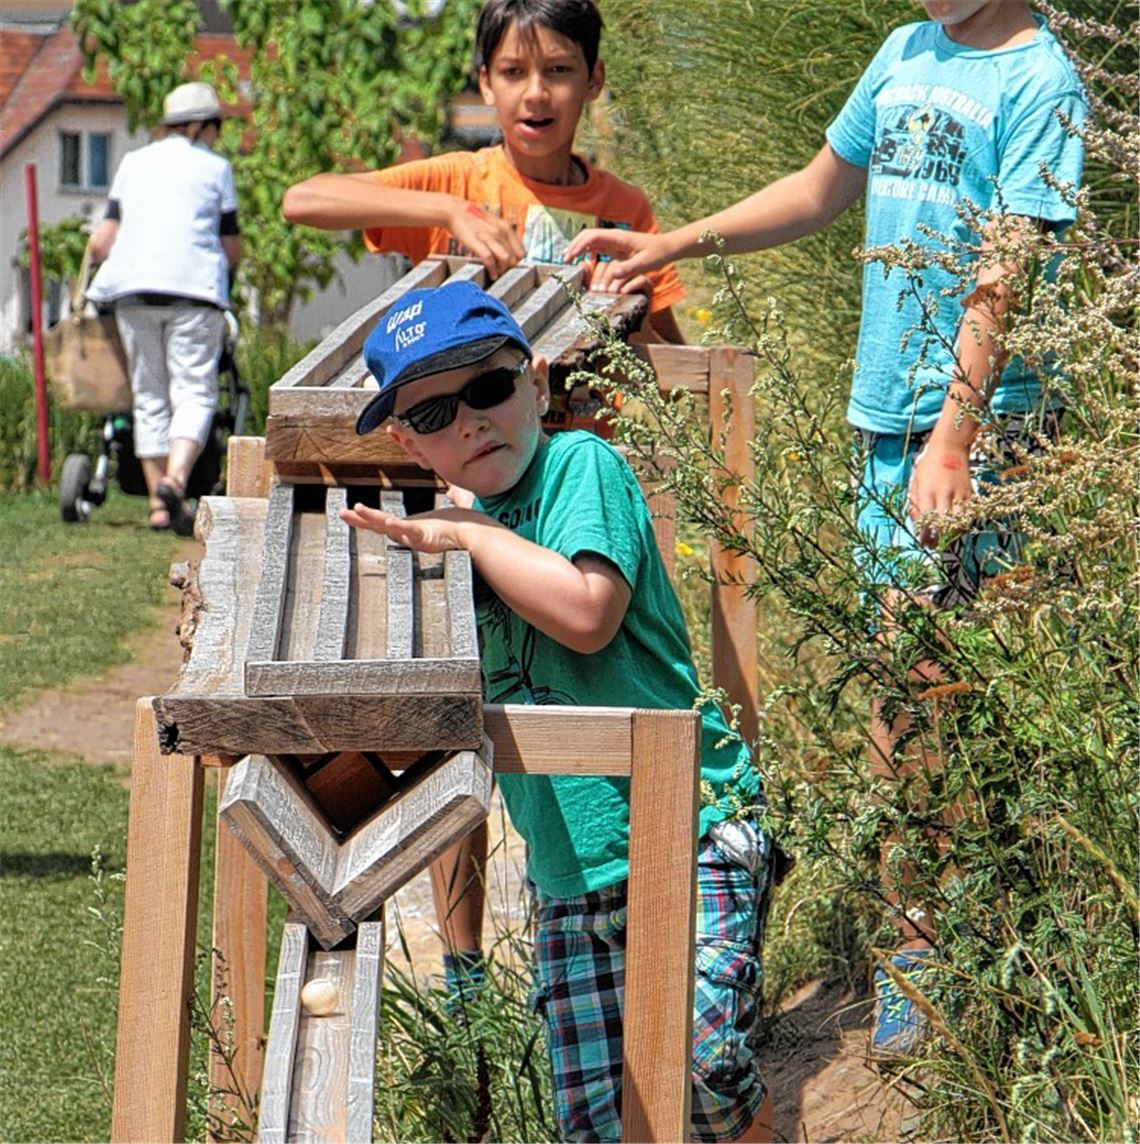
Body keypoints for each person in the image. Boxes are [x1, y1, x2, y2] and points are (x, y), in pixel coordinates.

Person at [564, 0, 1085, 1057]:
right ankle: (929, 948)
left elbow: (1006, 275)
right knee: (906, 695)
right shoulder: (905, 51)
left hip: (975, 439)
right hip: (882, 433)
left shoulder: (1046, 85)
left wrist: (954, 439)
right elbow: (814, 191)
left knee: (936, 694)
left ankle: (948, 965)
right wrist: (666, 243)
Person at [282, 0, 687, 1009]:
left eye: (557, 70)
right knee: (454, 710)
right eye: (512, 72)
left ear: (595, 81)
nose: (535, 93)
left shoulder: (625, 210)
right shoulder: (464, 178)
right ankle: (462, 961)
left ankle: (631, 902)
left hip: (567, 488)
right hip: (457, 492)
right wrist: (445, 217)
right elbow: (303, 198)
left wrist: (631, 342)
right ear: (486, 85)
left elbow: (667, 347)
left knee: (557, 696)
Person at [341, 279, 774, 1143]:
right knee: (599, 1124)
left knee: (707, 1065)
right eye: (432, 416)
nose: (469, 422)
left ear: (535, 383)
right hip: (571, 879)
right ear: (406, 443)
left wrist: (470, 535)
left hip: (689, 830)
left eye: (488, 389)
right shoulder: (447, 533)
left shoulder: (582, 467)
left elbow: (586, 614)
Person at [88, 80, 240, 535]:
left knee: (149, 393)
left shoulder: (133, 162)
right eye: (214, 127)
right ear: (197, 126)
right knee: (194, 390)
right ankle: (176, 479)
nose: (216, 136)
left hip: (132, 291)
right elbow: (230, 246)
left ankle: (158, 506)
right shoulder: (216, 168)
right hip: (194, 291)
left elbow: (103, 241)